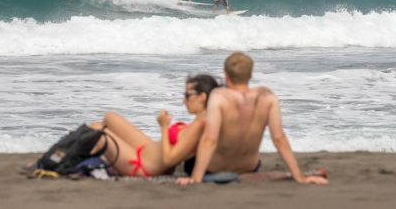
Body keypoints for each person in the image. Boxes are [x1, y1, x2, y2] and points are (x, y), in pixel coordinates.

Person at [178, 52, 328, 185]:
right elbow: (279, 139)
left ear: (226, 75)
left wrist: (195, 179)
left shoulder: (218, 96)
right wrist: (299, 177)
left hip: (213, 169)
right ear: (250, 75)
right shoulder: (267, 97)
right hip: (250, 169)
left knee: (190, 160)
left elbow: (210, 140)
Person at [90, 74, 219, 177]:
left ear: (202, 97)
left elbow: (169, 160)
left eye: (187, 95)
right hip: (148, 151)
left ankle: (86, 166)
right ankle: (103, 161)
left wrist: (164, 126)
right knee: (110, 117)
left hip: (144, 166)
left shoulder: (199, 126)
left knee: (95, 130)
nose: (183, 100)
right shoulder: (203, 121)